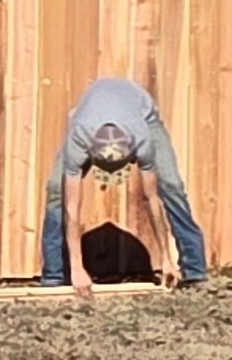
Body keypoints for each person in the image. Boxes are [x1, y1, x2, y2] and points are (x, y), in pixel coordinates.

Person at [42, 76, 210, 289]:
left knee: (171, 185)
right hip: (86, 120)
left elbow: (152, 199)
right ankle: (54, 275)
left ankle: (195, 269)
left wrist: (166, 259)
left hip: (143, 116)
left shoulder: (142, 140)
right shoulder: (80, 138)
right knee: (56, 190)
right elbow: (72, 208)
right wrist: (77, 268)